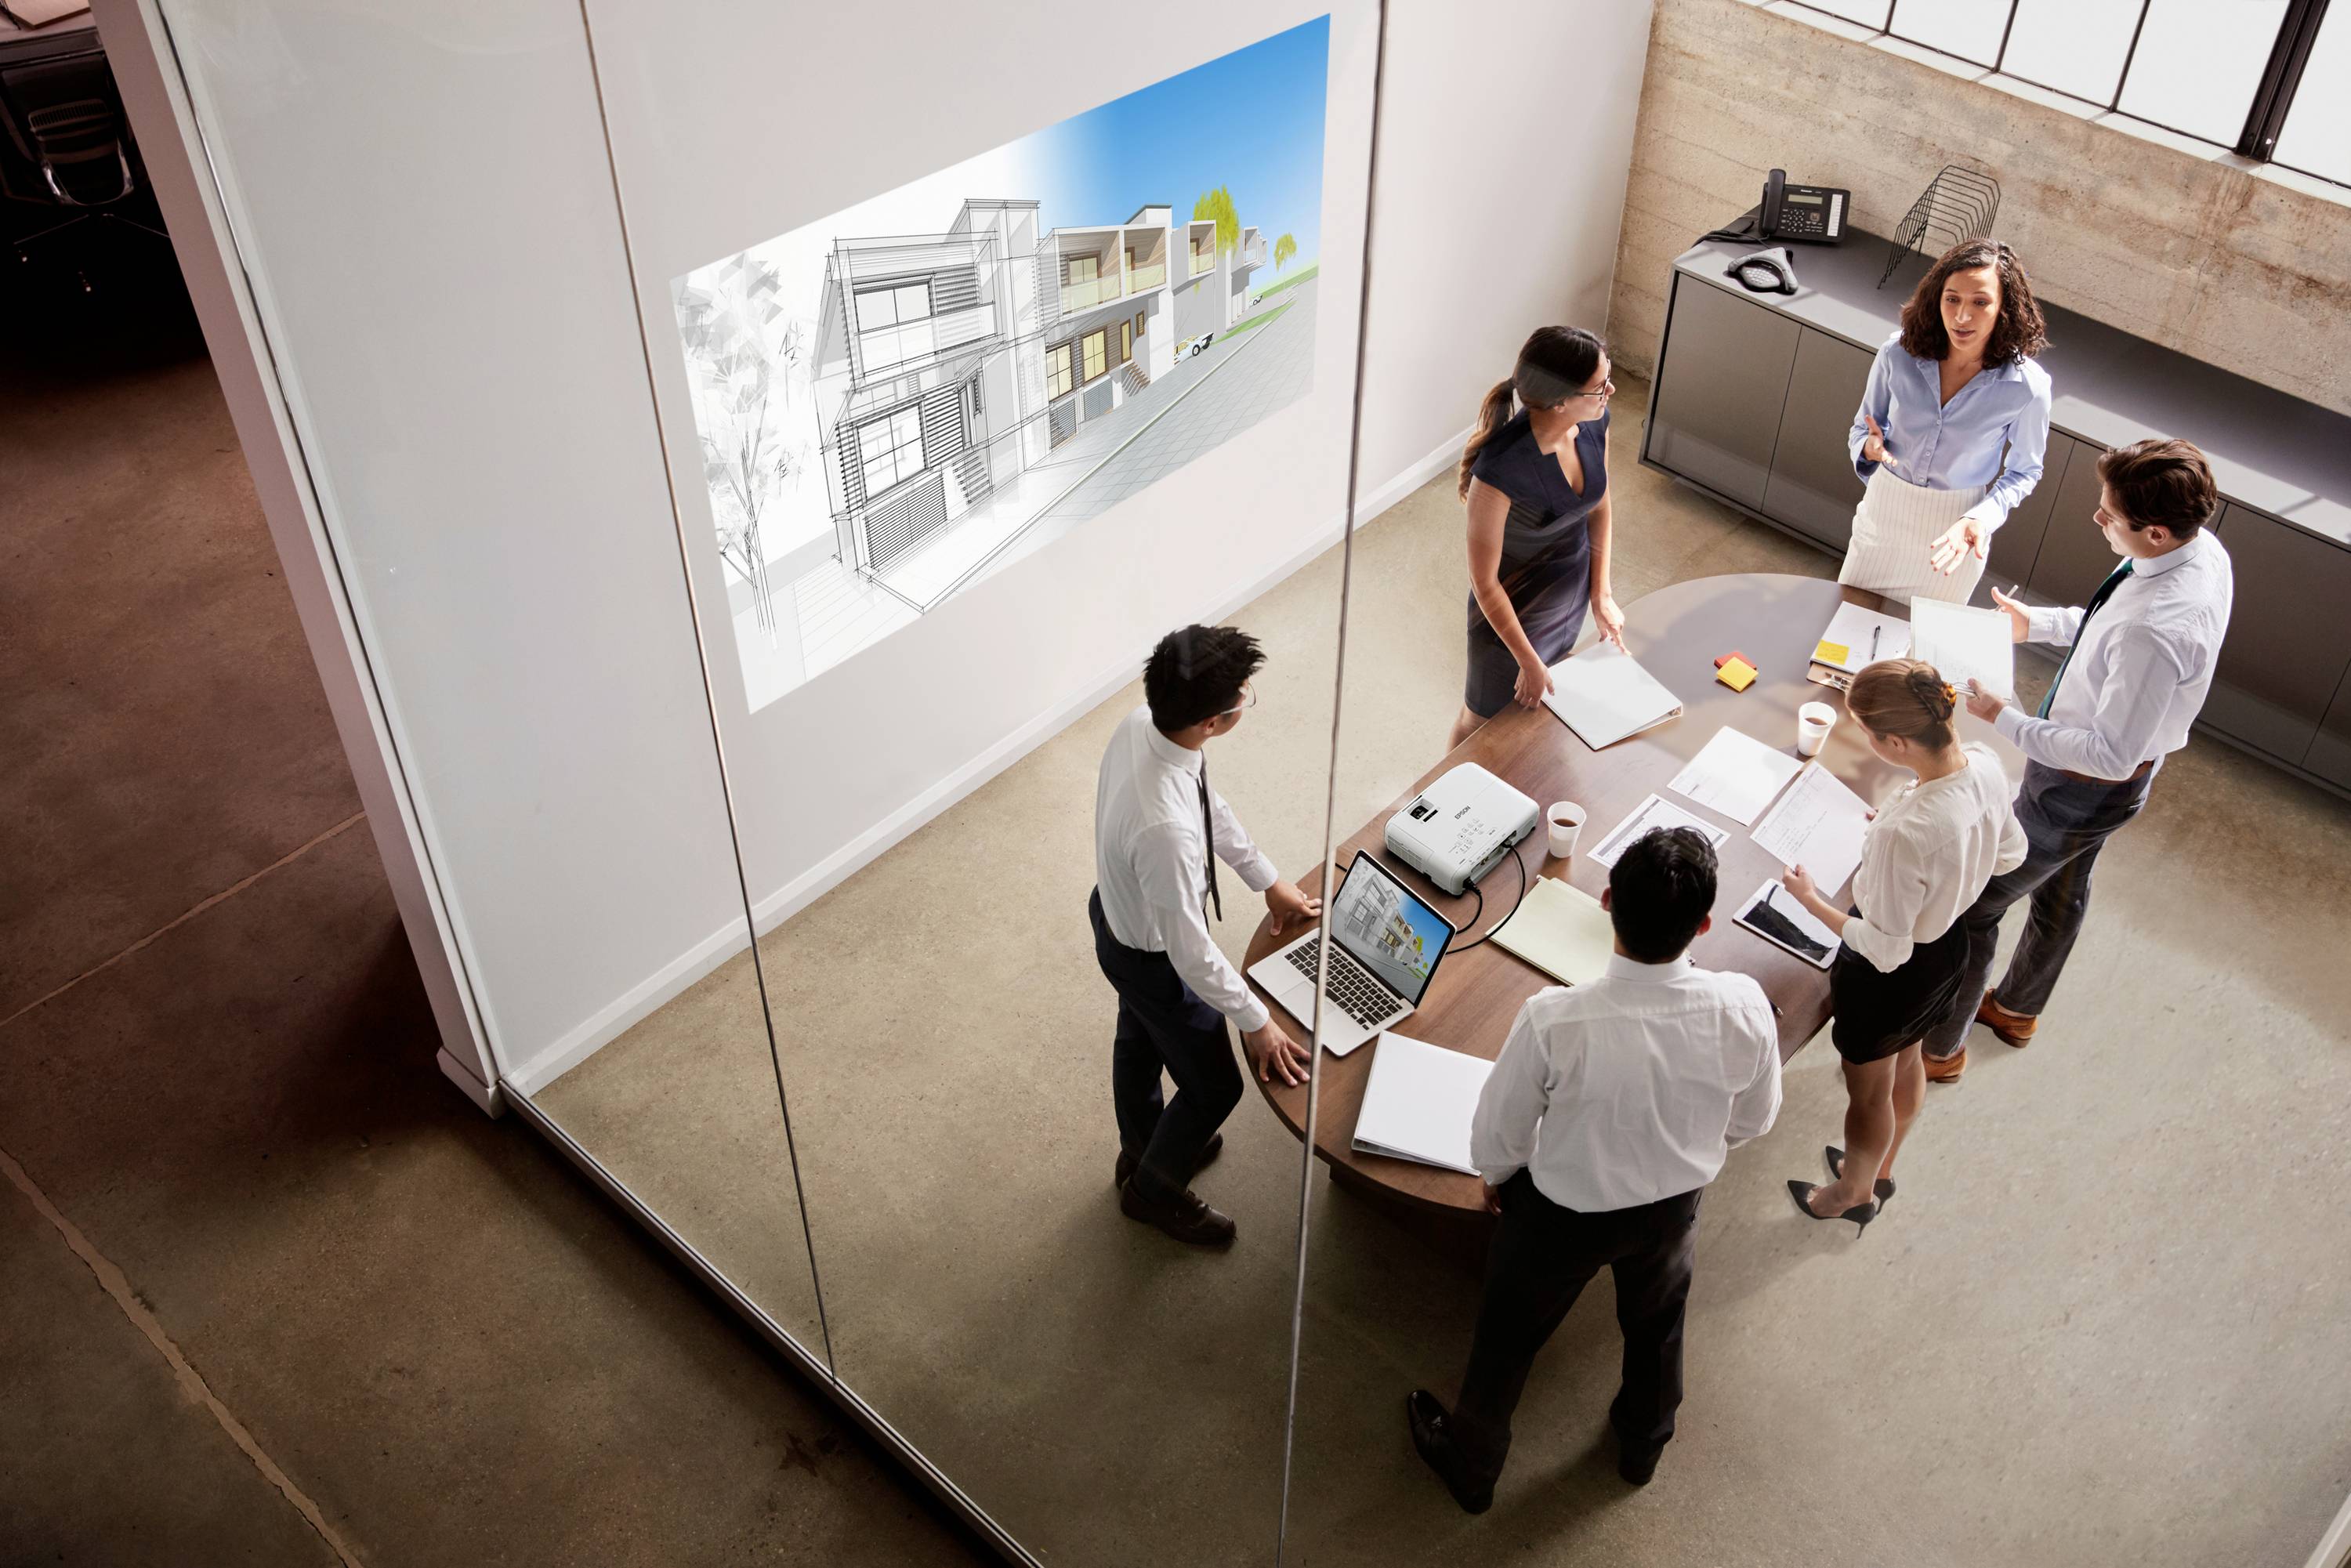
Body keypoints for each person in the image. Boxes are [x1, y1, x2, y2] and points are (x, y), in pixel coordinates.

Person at [1407, 828, 1780, 1508]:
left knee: (1507, 1342)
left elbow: (1500, 1132)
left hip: (1558, 1220)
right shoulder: (1745, 1006)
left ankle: (1472, 1465)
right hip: (1672, 1210)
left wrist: (1496, 1175)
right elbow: (1755, 1118)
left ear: (1606, 901)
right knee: (1658, 1323)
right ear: (1703, 924)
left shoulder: (1555, 1019)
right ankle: (1643, 1444)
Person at [1922, 438, 2234, 1080]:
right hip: (2097, 787)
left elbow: (2111, 754)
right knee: (2064, 886)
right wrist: (2031, 623)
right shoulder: (2198, 548)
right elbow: (2106, 624)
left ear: (2153, 531)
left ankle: (1940, 1049)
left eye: (2108, 516)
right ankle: (2015, 1008)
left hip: (2081, 786)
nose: (2097, 519)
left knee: (1978, 905)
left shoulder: (2159, 629)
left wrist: (2004, 718)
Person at [1090, 625, 1323, 1245]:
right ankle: (1152, 1192)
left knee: (1137, 1041)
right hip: (1151, 956)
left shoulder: (1143, 722)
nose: (1246, 697)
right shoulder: (1163, 831)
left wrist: (1265, 878)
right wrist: (1257, 1019)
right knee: (1216, 1084)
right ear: (1212, 724)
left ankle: (1141, 1150)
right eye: (1243, 697)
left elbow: (1204, 801)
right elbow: (1190, 951)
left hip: (1114, 918)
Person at [1776, 661, 2025, 1224]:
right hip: (1947, 954)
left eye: (1864, 729)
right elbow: (2011, 853)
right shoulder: (1984, 766)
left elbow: (1885, 949)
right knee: (1908, 1058)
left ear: (1893, 741)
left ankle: (1852, 1195)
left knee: (1868, 1095)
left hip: (1890, 976)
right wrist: (1945, 872)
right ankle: (1881, 1169)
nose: (1861, 737)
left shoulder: (1902, 835)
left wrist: (1812, 901)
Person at [1841, 237, 2052, 604]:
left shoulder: (2027, 387)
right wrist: (1869, 447)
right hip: (1883, 514)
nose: (1962, 317)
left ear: (2005, 308)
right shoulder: (1897, 353)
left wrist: (1981, 519)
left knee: (1920, 656)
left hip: (1955, 532)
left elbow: (2025, 472)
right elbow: (1863, 426)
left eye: (1980, 302)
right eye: (1952, 299)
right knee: (1841, 642)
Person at [1448, 326, 1627, 750]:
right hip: (1509, 620)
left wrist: (1600, 596)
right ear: (1561, 400)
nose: (1612, 390)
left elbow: (1598, 506)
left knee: (1535, 720)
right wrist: (1526, 660)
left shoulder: (1594, 424)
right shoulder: (1500, 472)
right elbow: (1485, 582)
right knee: (1481, 720)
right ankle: (1442, 801)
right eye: (1599, 386)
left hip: (1568, 599)